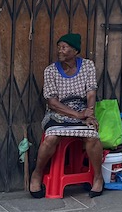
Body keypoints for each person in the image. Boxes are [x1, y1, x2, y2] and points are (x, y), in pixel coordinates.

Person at [28, 32, 105, 198]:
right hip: (58, 113)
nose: (60, 51)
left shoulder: (87, 66)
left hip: (82, 110)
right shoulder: (50, 71)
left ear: (75, 51)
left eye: (64, 48)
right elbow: (52, 103)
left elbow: (91, 93)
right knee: (51, 138)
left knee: (92, 136)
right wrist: (78, 115)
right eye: (59, 48)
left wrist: (89, 113)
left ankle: (98, 177)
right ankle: (37, 173)